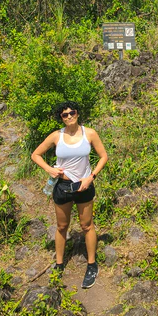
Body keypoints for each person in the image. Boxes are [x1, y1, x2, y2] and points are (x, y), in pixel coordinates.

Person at [31, 101, 108, 289]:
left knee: (87, 226)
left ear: (77, 113)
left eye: (71, 112)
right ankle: (59, 264)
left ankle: (91, 264)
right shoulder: (57, 136)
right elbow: (36, 154)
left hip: (84, 185)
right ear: (61, 118)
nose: (69, 116)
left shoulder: (89, 133)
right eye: (64, 115)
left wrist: (91, 177)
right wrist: (49, 169)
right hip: (63, 186)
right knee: (62, 226)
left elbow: (103, 156)